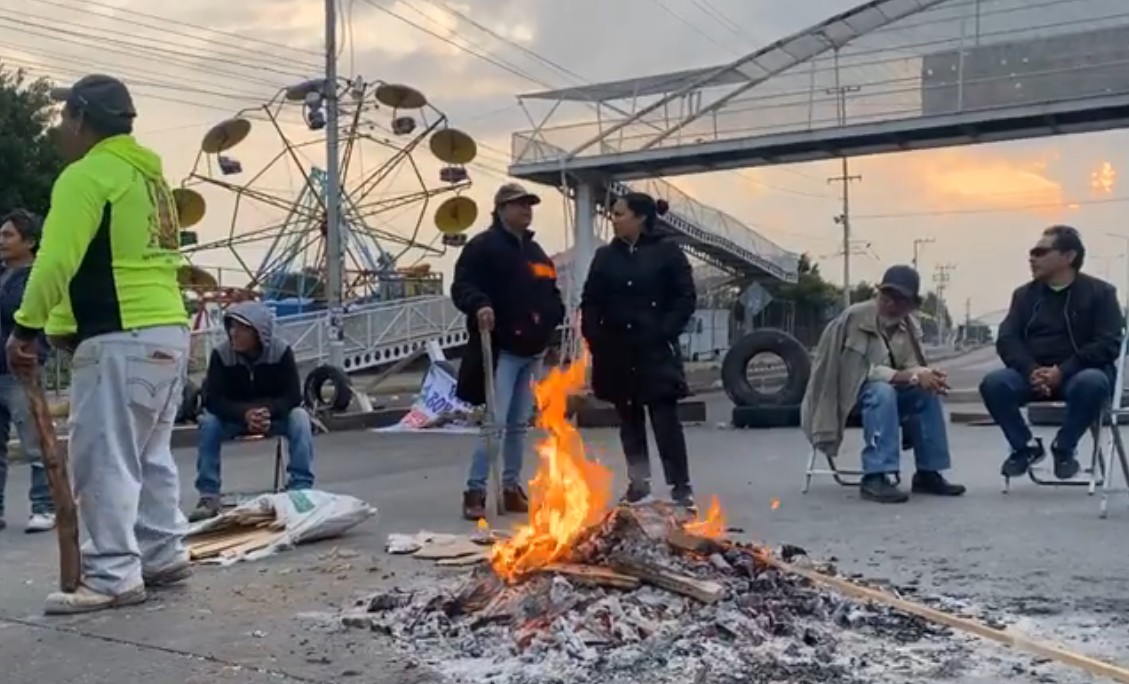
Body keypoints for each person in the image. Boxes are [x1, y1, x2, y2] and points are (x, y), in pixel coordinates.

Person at [5, 74, 191, 614]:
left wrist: (26, 328)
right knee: (150, 453)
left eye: (65, 117)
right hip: (167, 330)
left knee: (104, 457)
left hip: (121, 334)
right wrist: (64, 325)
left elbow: (57, 260)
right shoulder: (149, 177)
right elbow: (113, 257)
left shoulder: (86, 176)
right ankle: (161, 553)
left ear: (81, 119)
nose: (60, 127)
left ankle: (112, 575)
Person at [802, 265, 966, 504]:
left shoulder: (908, 325)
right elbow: (860, 373)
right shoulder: (855, 318)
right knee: (882, 391)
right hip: (848, 396)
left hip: (886, 396)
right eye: (887, 296)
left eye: (900, 300)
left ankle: (929, 472)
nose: (891, 304)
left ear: (910, 304)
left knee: (927, 392)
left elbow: (911, 365)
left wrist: (927, 375)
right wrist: (909, 377)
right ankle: (875, 475)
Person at [453, 182, 564, 521]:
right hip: (502, 348)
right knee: (496, 422)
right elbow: (462, 286)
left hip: (532, 350)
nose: (526, 210)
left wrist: (551, 322)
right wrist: (480, 305)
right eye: (518, 205)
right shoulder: (482, 248)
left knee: (518, 424)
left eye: (529, 205)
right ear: (501, 209)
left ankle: (511, 487)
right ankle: (475, 490)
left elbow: (550, 292)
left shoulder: (537, 254)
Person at [580, 192, 698, 510]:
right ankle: (639, 484)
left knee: (665, 419)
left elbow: (685, 297)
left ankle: (680, 487)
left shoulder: (667, 252)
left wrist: (665, 330)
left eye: (619, 214)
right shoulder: (605, 257)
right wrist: (595, 337)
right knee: (629, 421)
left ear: (640, 217)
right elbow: (590, 301)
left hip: (656, 351)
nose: (614, 220)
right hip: (617, 352)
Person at [979, 225, 1122, 480]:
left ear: (1068, 257)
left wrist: (1062, 371)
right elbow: (1008, 338)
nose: (1032, 258)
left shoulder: (1101, 294)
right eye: (1032, 252)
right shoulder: (1024, 296)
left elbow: (1108, 344)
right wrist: (1031, 370)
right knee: (995, 383)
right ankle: (1025, 447)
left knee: (1093, 382)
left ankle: (1064, 448)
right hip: (1033, 375)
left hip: (1079, 374)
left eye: (1041, 252)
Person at [188, 300, 313, 521]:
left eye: (242, 328)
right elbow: (213, 400)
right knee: (208, 422)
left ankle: (300, 489)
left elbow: (293, 396)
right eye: (232, 327)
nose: (234, 333)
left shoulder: (281, 352)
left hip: (272, 418)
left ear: (259, 332)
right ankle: (208, 495)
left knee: (300, 417)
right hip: (233, 419)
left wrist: (267, 413)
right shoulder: (221, 354)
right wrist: (244, 414)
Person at [0, 209, 54, 532]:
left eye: (9, 235)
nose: (1, 241)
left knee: (35, 443)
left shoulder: (36, 277)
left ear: (29, 241)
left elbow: (19, 313)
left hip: (22, 369)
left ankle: (44, 507)